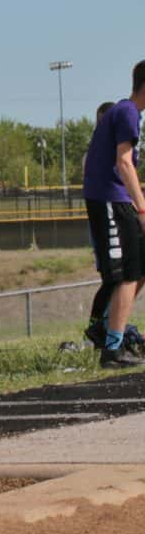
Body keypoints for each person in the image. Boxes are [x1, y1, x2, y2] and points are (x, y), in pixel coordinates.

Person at [81, 61, 145, 368]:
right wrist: (141, 207)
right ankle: (112, 346)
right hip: (109, 200)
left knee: (139, 268)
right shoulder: (128, 113)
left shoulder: (129, 113)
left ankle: (109, 328)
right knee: (125, 275)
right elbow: (124, 163)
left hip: (119, 200)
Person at [82, 100, 116, 349]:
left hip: (115, 217)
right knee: (112, 278)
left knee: (118, 279)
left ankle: (108, 327)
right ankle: (98, 328)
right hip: (103, 219)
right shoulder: (96, 153)